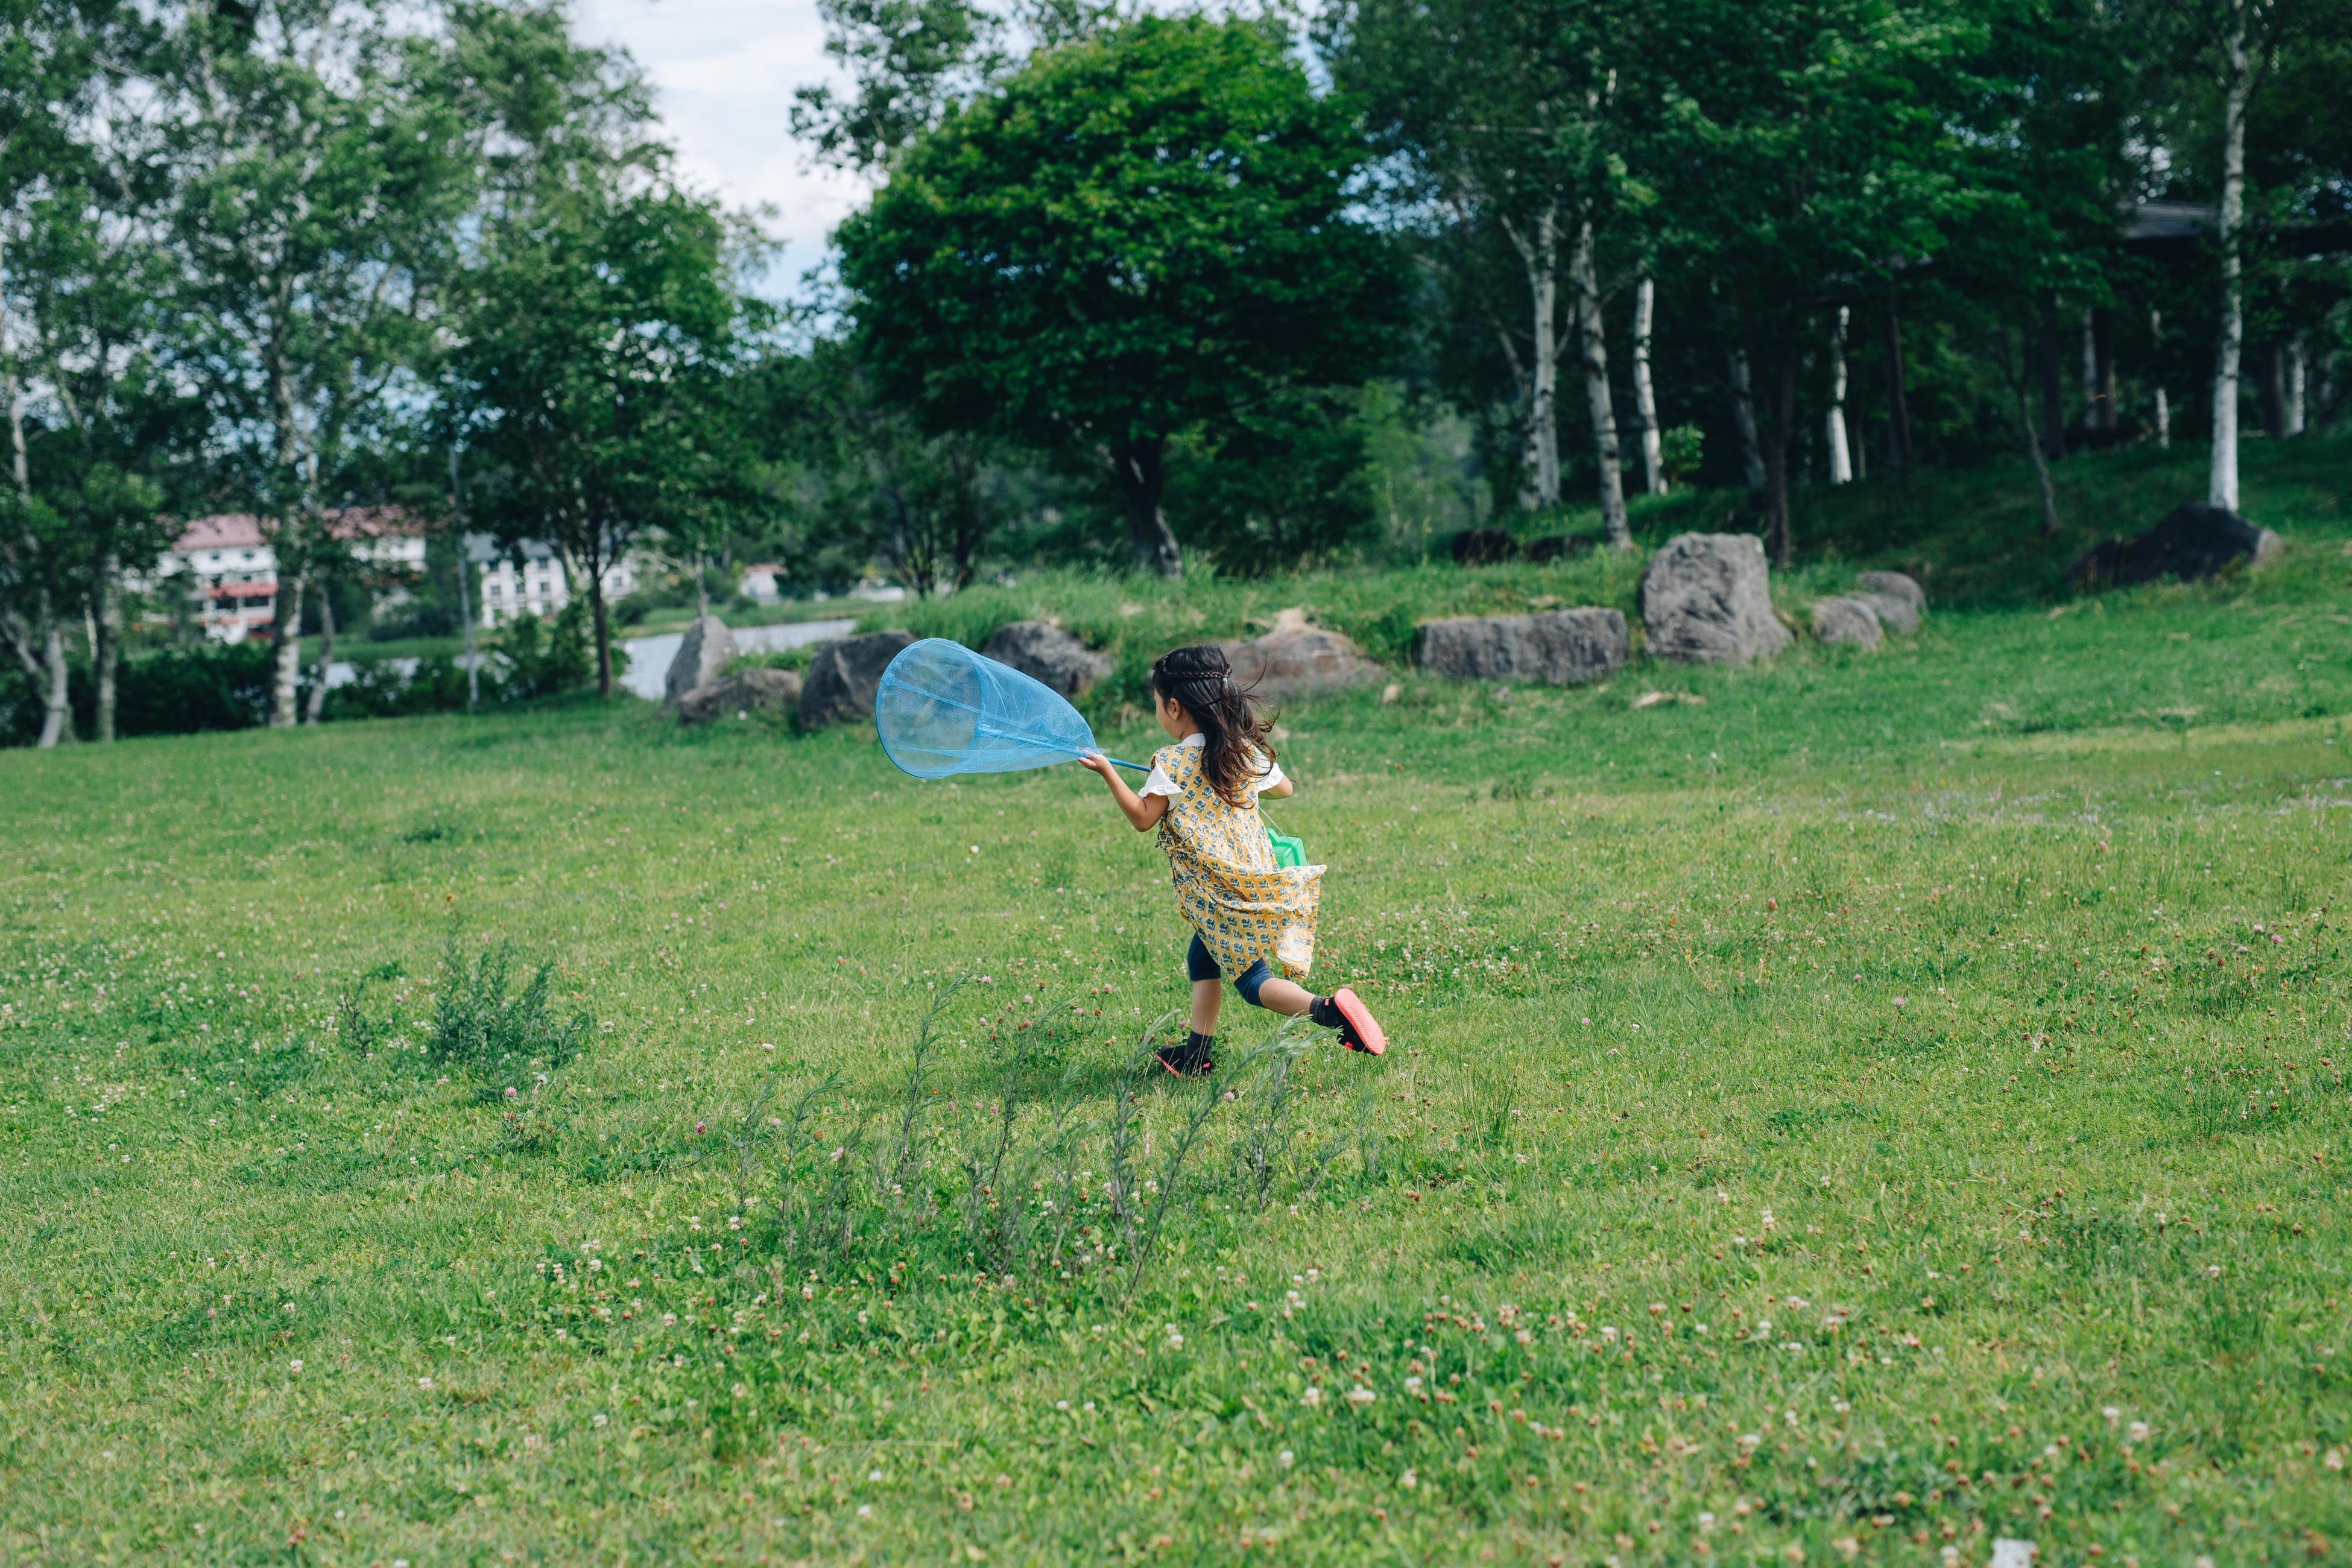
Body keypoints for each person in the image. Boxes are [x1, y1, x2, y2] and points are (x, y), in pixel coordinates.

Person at [1079, 644, 1385, 1075]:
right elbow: (1285, 790)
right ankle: (1195, 1054)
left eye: (1156, 704)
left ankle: (1328, 1011)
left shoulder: (1171, 762)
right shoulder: (1241, 750)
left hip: (1219, 892)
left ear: (1173, 706)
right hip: (1255, 880)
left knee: (1250, 979)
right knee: (1202, 959)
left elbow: (1143, 819)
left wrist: (1108, 772)